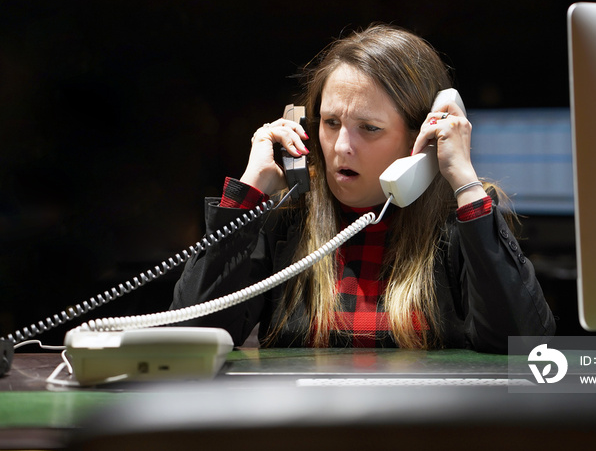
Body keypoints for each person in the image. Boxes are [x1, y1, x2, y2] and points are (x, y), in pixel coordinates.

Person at [171, 24, 555, 352]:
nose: (341, 147)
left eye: (369, 128)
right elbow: (189, 340)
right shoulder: (285, 220)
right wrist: (249, 194)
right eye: (331, 122)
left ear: (422, 136)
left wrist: (466, 186)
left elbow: (525, 347)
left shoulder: (460, 224)